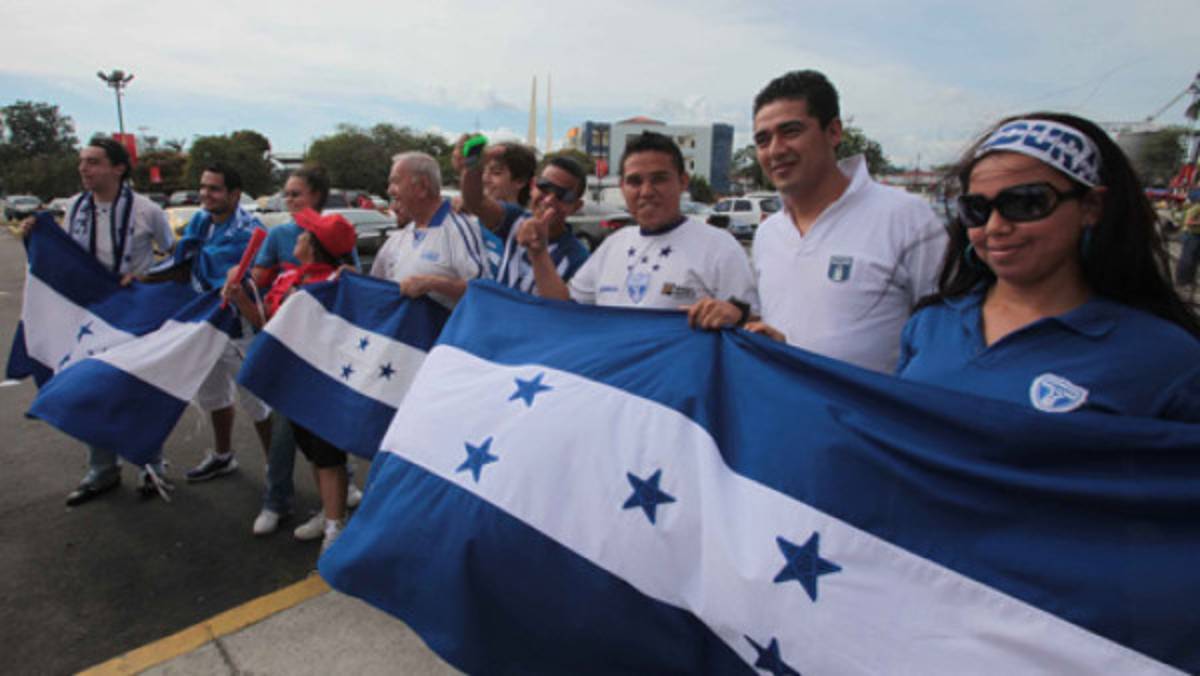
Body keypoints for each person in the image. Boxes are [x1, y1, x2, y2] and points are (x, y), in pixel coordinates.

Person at [896, 113, 1200, 421]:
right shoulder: (930, 324)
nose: (995, 227)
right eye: (977, 209)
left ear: (1091, 207)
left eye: (1027, 203)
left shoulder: (1165, 357)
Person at [688, 70, 946, 374]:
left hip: (875, 406)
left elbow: (946, 339)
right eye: (763, 139)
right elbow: (777, 321)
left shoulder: (908, 218)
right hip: (782, 400)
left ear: (833, 132)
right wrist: (738, 318)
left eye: (791, 131)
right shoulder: (769, 233)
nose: (776, 150)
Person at [20, 136, 175, 504]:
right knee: (92, 388)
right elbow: (64, 254)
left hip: (132, 313)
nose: (84, 168)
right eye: (82, 161)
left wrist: (147, 277)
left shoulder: (146, 210)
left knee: (136, 389)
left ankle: (151, 465)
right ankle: (102, 469)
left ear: (118, 168)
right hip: (88, 312)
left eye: (93, 162)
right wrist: (33, 237)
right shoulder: (76, 207)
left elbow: (174, 255)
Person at [224, 209, 358, 552]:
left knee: (329, 456)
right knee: (313, 453)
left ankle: (335, 528)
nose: (298, 234)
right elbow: (267, 324)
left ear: (314, 246)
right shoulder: (291, 279)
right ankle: (329, 512)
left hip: (323, 385)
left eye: (305, 233)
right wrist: (241, 299)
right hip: (294, 383)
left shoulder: (337, 284)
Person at [519, 131, 757, 313]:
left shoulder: (720, 247)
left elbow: (752, 325)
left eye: (659, 179)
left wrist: (735, 316)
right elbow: (564, 310)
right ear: (622, 187)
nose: (646, 191)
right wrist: (539, 254)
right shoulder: (612, 245)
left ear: (683, 182)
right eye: (635, 182)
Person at [247, 164, 362, 537]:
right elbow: (264, 306)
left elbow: (352, 286)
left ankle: (329, 518)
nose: (289, 201)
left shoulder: (331, 264)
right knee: (306, 442)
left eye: (296, 194)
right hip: (288, 361)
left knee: (318, 444)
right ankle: (317, 506)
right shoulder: (282, 253)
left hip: (318, 369)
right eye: (287, 194)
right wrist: (244, 294)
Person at [174, 163, 273, 481]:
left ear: (234, 194)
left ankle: (276, 471)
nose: (206, 194)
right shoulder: (200, 222)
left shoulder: (248, 231)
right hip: (205, 325)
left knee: (258, 403)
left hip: (239, 329)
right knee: (213, 395)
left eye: (214, 189)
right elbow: (184, 263)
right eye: (203, 187)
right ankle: (223, 455)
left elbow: (252, 284)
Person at [456, 142, 589, 294]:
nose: (549, 200)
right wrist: (473, 162)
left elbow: (564, 306)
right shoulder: (515, 219)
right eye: (544, 187)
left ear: (576, 207)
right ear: (533, 186)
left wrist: (538, 253)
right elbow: (476, 202)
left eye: (563, 195)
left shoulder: (578, 258)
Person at [369, 152, 486, 307]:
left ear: (422, 187)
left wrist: (434, 284)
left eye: (396, 182)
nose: (390, 191)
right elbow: (375, 288)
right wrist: (349, 276)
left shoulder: (459, 229)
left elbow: (483, 291)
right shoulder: (399, 238)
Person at [452, 137, 538, 277]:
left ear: (520, 181)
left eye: (496, 173)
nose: (485, 178)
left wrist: (471, 162)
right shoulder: (470, 217)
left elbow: (477, 202)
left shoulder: (519, 222)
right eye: (483, 171)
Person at [1175, 193, 1200, 297]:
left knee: (1194, 261)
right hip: (1191, 235)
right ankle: (1182, 283)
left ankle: (1189, 282)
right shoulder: (1197, 208)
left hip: (1196, 235)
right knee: (1187, 260)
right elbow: (1189, 222)